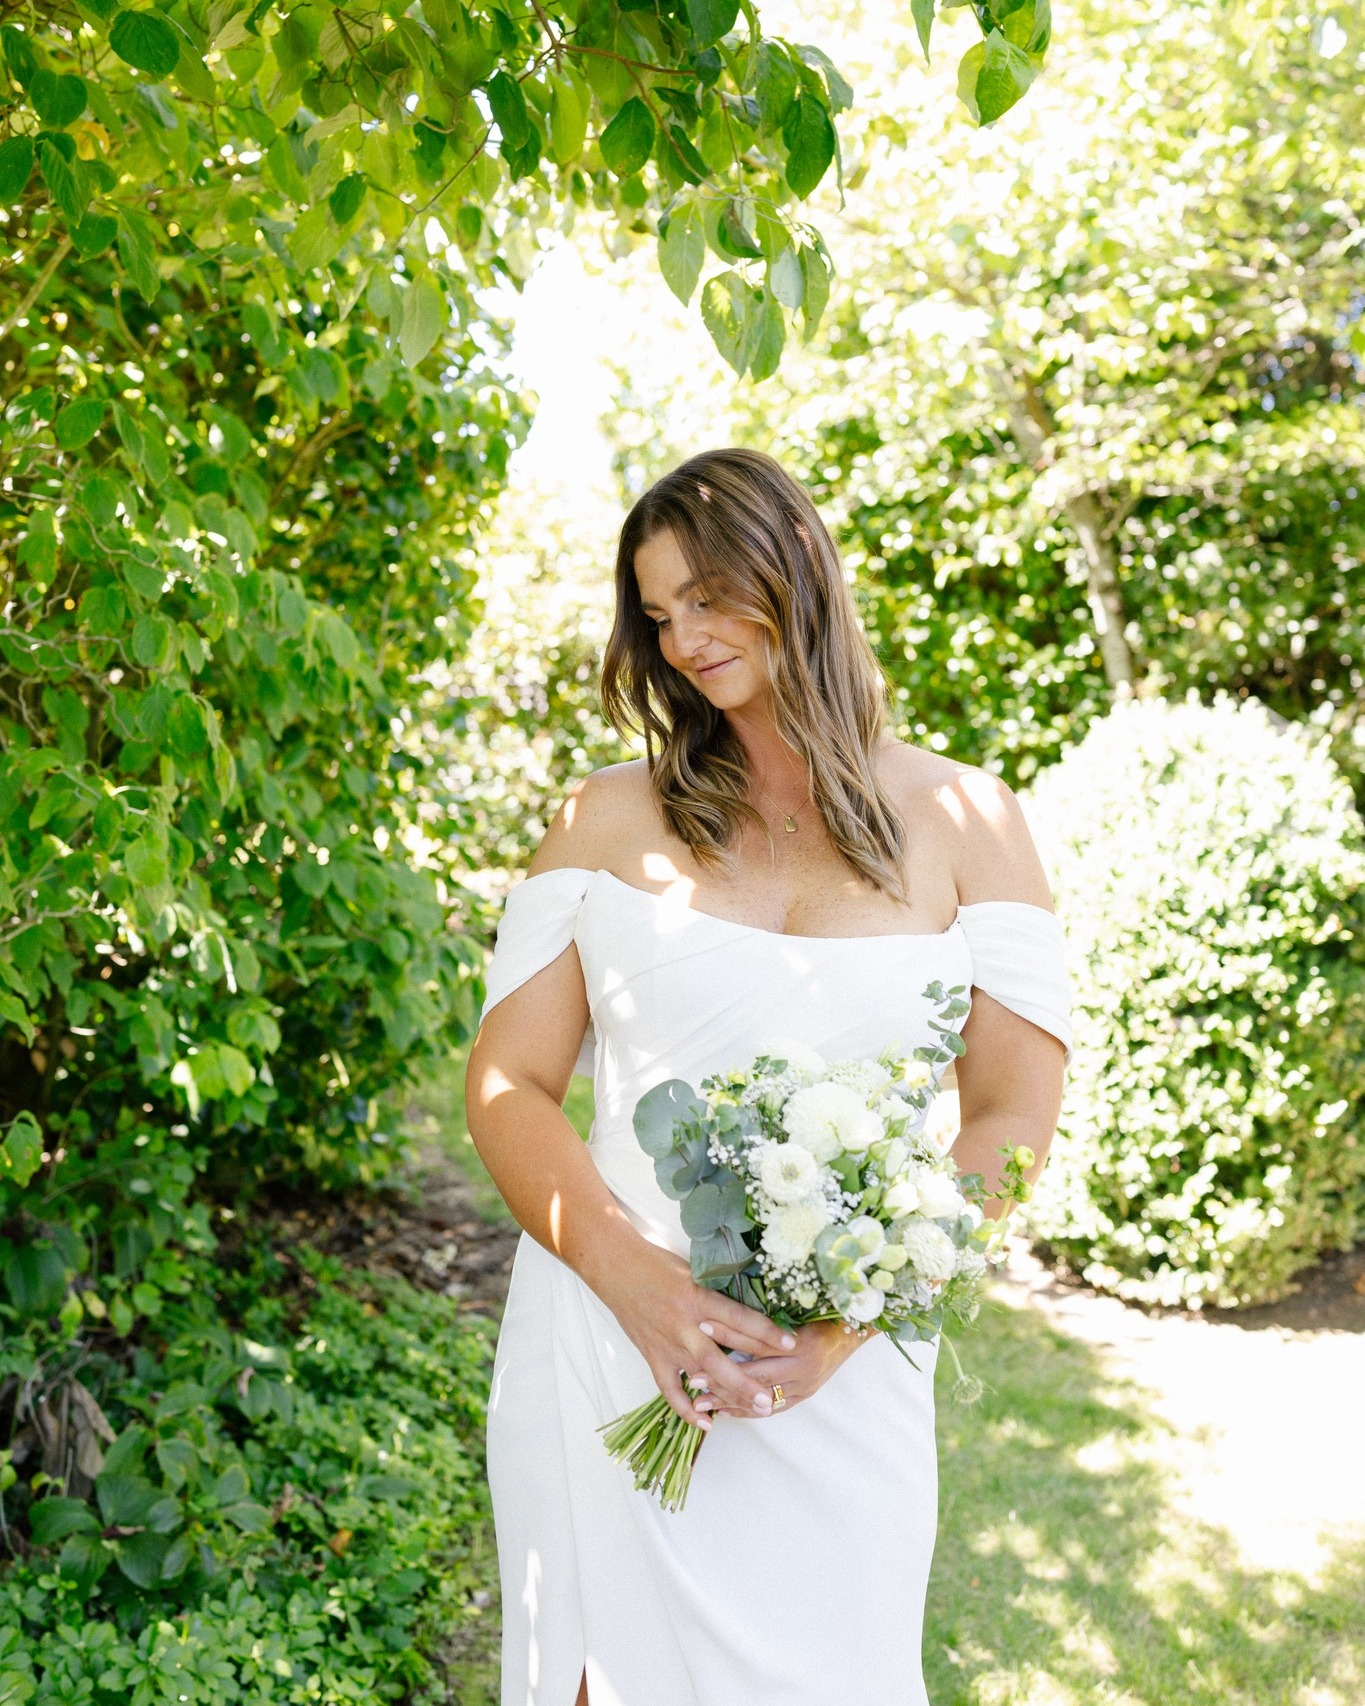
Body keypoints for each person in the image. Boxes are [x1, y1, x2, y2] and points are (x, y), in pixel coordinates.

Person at [465, 448, 1070, 1706]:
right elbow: (509, 1080)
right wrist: (637, 1285)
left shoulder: (972, 821)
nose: (682, 638)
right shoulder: (605, 817)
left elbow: (1012, 1110)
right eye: (656, 610)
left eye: (708, 595)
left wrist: (848, 1324)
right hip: (603, 1321)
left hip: (841, 1364)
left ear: (795, 565)